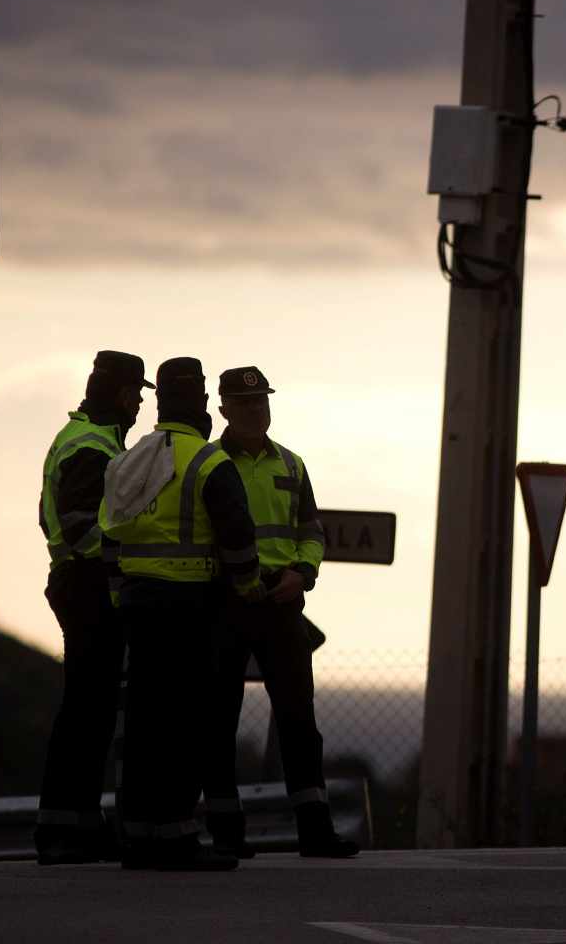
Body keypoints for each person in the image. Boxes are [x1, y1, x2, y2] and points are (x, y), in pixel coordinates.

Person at [98, 357, 264, 871]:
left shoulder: (132, 459)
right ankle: (177, 838)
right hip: (192, 607)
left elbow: (109, 533)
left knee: (145, 723)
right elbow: (237, 538)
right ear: (201, 405)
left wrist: (119, 593)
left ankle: (141, 838)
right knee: (186, 724)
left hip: (140, 606)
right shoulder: (209, 463)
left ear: (162, 401)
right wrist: (249, 586)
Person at [201, 366, 358, 859]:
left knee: (298, 717)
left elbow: (311, 531)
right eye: (244, 404)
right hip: (225, 602)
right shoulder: (206, 464)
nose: (255, 411)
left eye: (262, 402)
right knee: (219, 717)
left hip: (282, 602)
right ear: (223, 408)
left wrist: (302, 574)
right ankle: (227, 833)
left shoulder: (291, 465)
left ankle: (314, 829)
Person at [34, 351, 151, 865]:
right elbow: (83, 525)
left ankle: (77, 826)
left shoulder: (83, 438)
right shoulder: (92, 447)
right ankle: (64, 831)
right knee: (86, 713)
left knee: (92, 712)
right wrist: (129, 555)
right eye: (139, 392)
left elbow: (51, 518)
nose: (143, 402)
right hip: (89, 585)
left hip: (79, 581)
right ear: (124, 395)